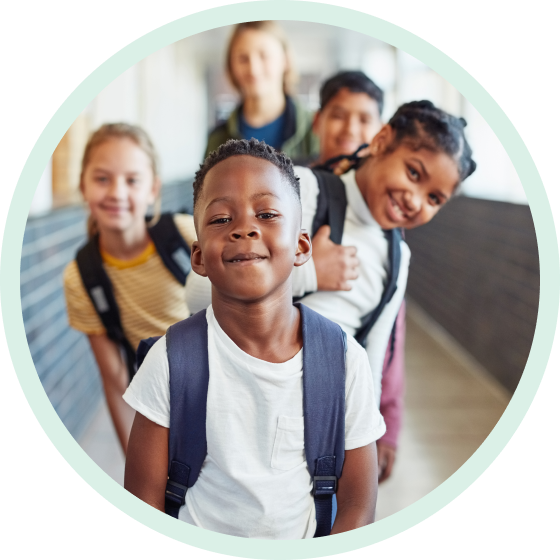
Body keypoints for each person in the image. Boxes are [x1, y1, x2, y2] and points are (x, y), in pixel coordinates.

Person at [123, 139, 386, 539]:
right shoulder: (172, 361)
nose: (244, 228)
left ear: (301, 247)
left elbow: (357, 507)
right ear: (198, 258)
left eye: (266, 213)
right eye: (221, 219)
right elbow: (143, 506)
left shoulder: (344, 361)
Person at [63, 123, 197, 454]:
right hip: (161, 407)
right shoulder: (82, 277)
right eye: (102, 178)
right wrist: (136, 479)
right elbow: (116, 381)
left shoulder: (184, 235)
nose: (117, 193)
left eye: (132, 180)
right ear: (83, 185)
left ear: (153, 189)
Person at [308, 70, 404, 482]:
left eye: (364, 118)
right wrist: (310, 271)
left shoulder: (387, 215)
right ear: (317, 122)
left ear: (380, 133)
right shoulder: (289, 187)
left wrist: (388, 421)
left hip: (346, 401)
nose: (350, 128)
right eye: (338, 114)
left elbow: (389, 331)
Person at [205, 21, 318, 162]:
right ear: (231, 66)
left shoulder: (317, 129)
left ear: (285, 60)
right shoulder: (217, 138)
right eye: (243, 58)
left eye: (264, 56)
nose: (253, 69)